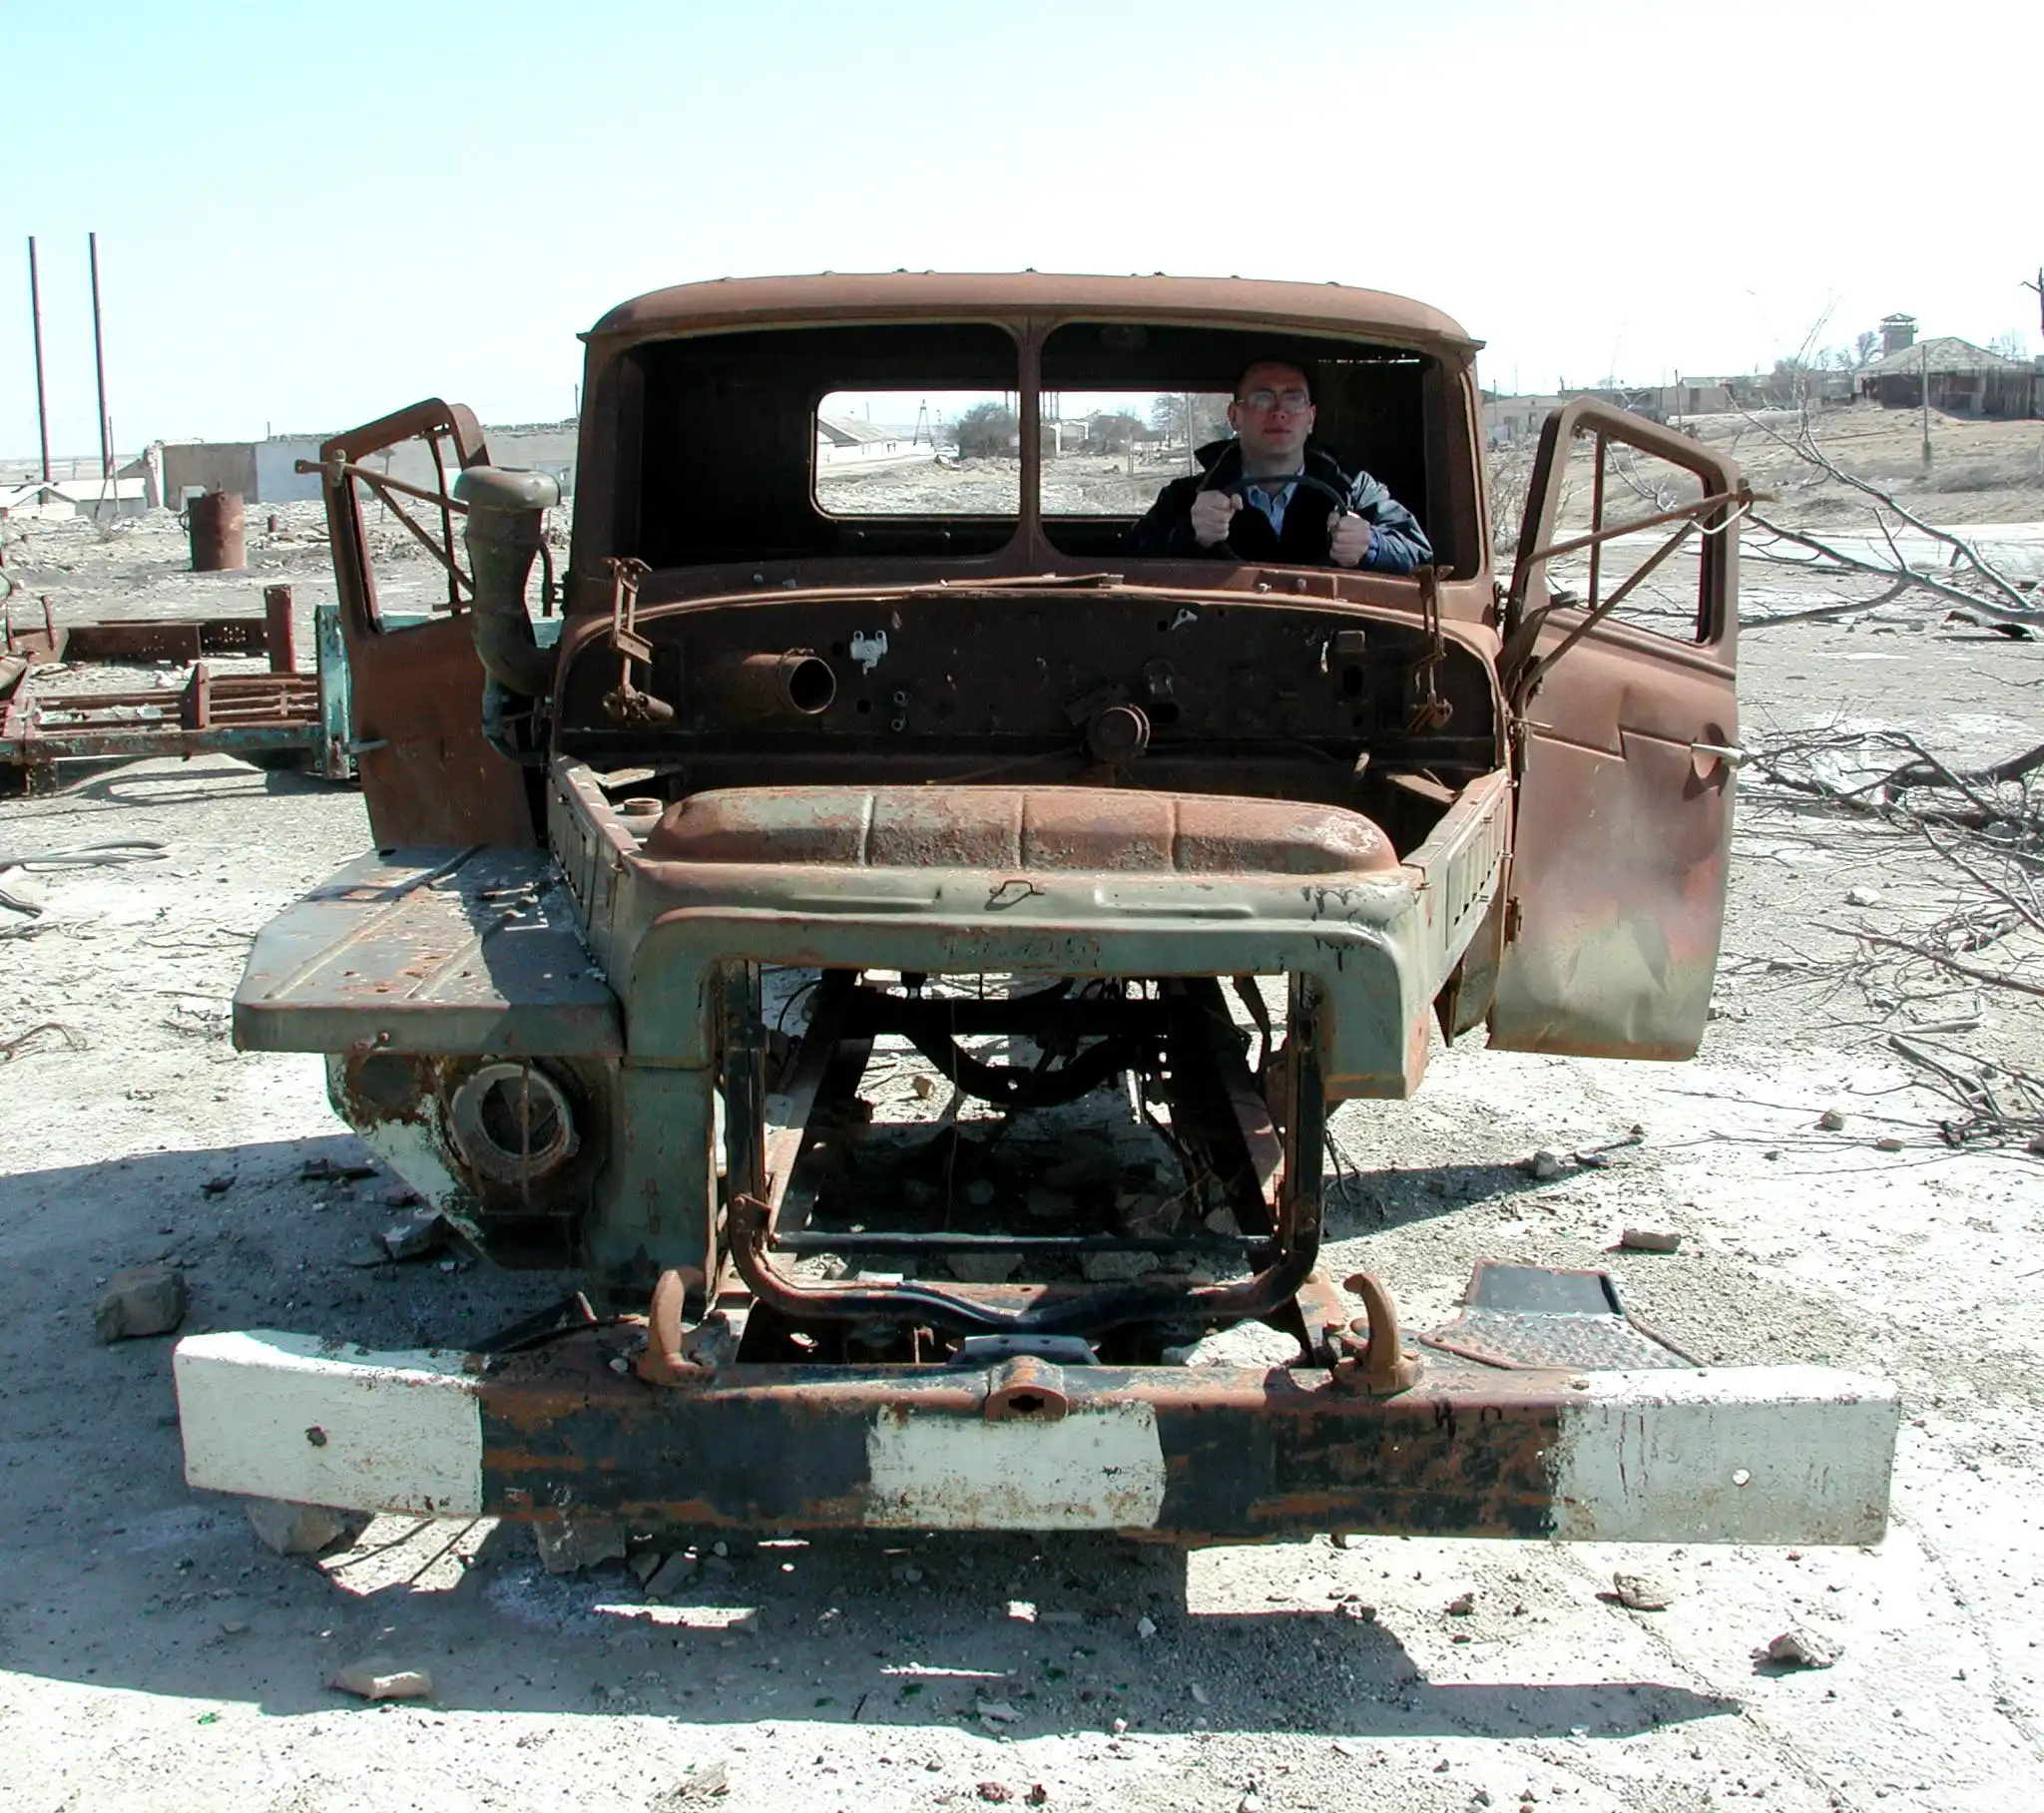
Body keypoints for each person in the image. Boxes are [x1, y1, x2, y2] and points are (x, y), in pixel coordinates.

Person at [1124, 358, 1432, 573]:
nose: (1279, 412)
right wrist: (1191, 533)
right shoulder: (1186, 497)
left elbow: (1419, 552)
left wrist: (1371, 545)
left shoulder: (1355, 491)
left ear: (1311, 418)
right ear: (1234, 416)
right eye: (1262, 399)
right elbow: (1129, 559)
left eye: (1294, 400)